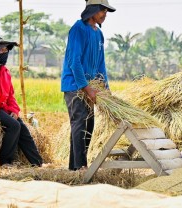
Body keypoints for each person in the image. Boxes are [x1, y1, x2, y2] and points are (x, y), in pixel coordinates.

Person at [61, 0, 115, 171]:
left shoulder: (98, 34)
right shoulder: (78, 29)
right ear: (92, 10)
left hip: (90, 86)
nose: (105, 14)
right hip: (75, 85)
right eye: (102, 10)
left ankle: (74, 167)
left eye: (106, 11)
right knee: (80, 123)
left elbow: (101, 64)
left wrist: (105, 88)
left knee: (89, 125)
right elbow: (74, 61)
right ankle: (80, 166)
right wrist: (86, 88)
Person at [0, 33, 43, 167]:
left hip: (2, 108)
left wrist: (14, 110)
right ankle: (4, 161)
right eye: (1, 49)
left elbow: (11, 96)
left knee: (23, 128)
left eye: (6, 49)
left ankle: (37, 163)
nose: (4, 52)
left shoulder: (5, 71)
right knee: (14, 126)